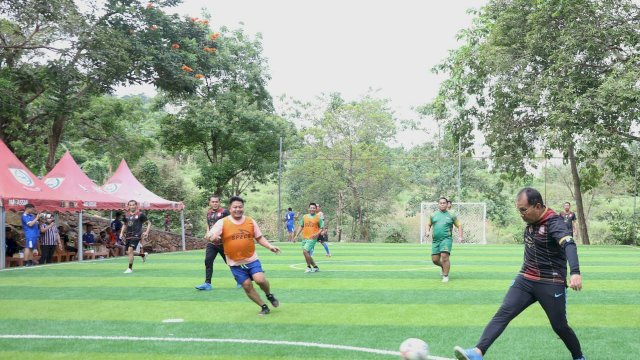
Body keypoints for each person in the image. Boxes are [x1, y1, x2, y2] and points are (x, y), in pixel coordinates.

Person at [454, 187, 585, 360]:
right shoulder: (531, 222)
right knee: (504, 312)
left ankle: (579, 357)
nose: (521, 214)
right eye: (519, 210)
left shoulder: (554, 222)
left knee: (560, 326)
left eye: (524, 210)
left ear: (537, 207)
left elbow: (569, 244)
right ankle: (477, 352)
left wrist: (575, 272)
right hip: (525, 280)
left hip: (550, 282)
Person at [205, 196, 281, 315]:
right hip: (235, 263)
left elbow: (259, 237)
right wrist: (212, 237)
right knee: (246, 285)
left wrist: (270, 246)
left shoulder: (250, 221)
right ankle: (263, 306)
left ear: (243, 208)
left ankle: (269, 295)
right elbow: (209, 234)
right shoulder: (223, 222)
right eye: (235, 207)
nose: (238, 209)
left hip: (251, 259)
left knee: (260, 280)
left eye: (240, 207)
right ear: (230, 209)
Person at [195, 194, 231, 291]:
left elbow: (231, 225)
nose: (215, 203)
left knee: (230, 262)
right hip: (212, 243)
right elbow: (209, 225)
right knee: (208, 261)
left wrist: (221, 236)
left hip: (224, 243)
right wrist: (207, 234)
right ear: (209, 203)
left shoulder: (225, 212)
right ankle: (207, 283)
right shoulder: (209, 213)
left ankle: (241, 280)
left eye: (216, 201)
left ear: (219, 202)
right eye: (213, 202)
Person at [426, 197, 463, 283]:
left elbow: (459, 225)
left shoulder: (451, 215)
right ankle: (443, 266)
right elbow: (428, 224)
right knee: (435, 260)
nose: (442, 204)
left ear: (447, 204)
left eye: (444, 203)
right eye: (441, 203)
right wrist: (427, 231)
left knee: (444, 256)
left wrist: (460, 237)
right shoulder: (433, 215)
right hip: (435, 240)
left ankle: (445, 276)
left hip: (446, 239)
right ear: (438, 204)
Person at [119, 200, 150, 273]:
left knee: (130, 250)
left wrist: (146, 232)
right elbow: (124, 224)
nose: (132, 206)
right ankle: (142, 255)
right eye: (130, 205)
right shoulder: (126, 215)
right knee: (128, 252)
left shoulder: (140, 214)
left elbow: (149, 223)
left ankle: (130, 268)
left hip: (136, 235)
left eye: (133, 205)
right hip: (128, 235)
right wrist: (121, 233)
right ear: (128, 206)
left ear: (136, 206)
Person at [293, 202, 323, 273]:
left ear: (316, 209)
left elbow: (321, 227)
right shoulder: (305, 216)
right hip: (304, 237)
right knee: (307, 254)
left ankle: (308, 267)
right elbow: (301, 226)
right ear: (308, 209)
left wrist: (317, 234)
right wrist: (296, 235)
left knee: (305, 251)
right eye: (311, 208)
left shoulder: (318, 218)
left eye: (313, 208)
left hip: (312, 238)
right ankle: (315, 267)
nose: (312, 209)